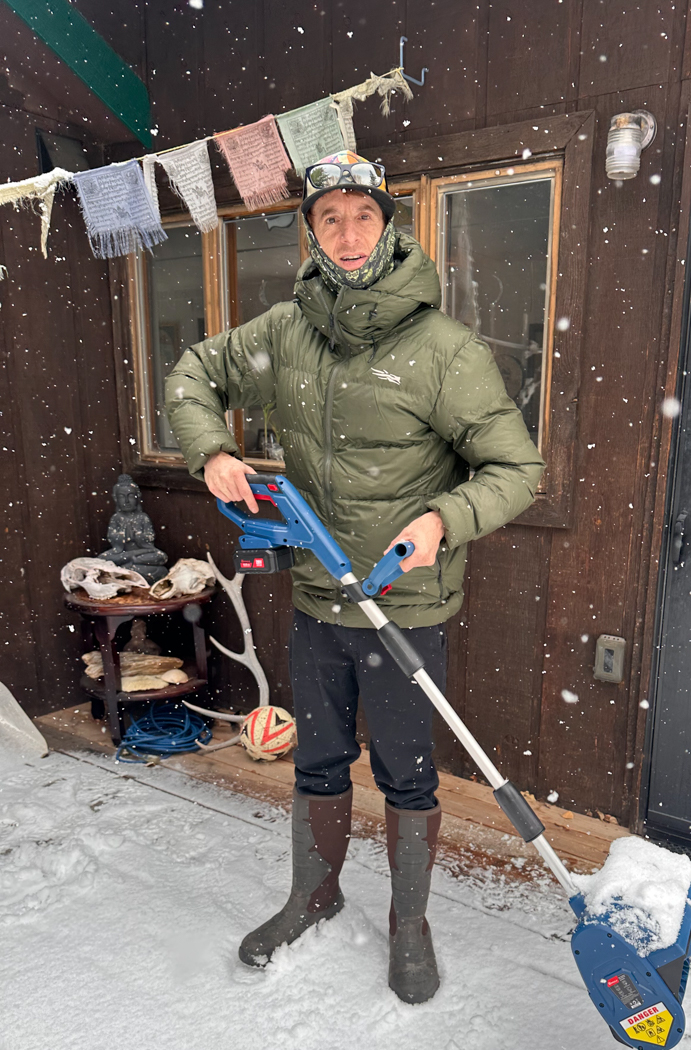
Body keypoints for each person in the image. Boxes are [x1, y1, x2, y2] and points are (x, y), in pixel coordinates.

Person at [165, 151, 544, 1004]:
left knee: (407, 771)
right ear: (310, 229)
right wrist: (212, 450)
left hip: (402, 602)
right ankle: (315, 892)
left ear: (389, 224)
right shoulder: (281, 333)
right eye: (328, 217)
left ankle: (410, 922)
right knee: (320, 760)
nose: (346, 233)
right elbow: (192, 374)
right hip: (316, 597)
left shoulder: (444, 350)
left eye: (362, 216)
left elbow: (516, 469)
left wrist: (442, 520)